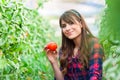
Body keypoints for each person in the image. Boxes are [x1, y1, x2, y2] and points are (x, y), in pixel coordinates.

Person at [44, 9, 104, 80]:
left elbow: (95, 75)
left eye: (71, 23)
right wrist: (54, 62)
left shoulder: (94, 44)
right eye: (64, 26)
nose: (67, 28)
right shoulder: (64, 50)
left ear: (81, 24)